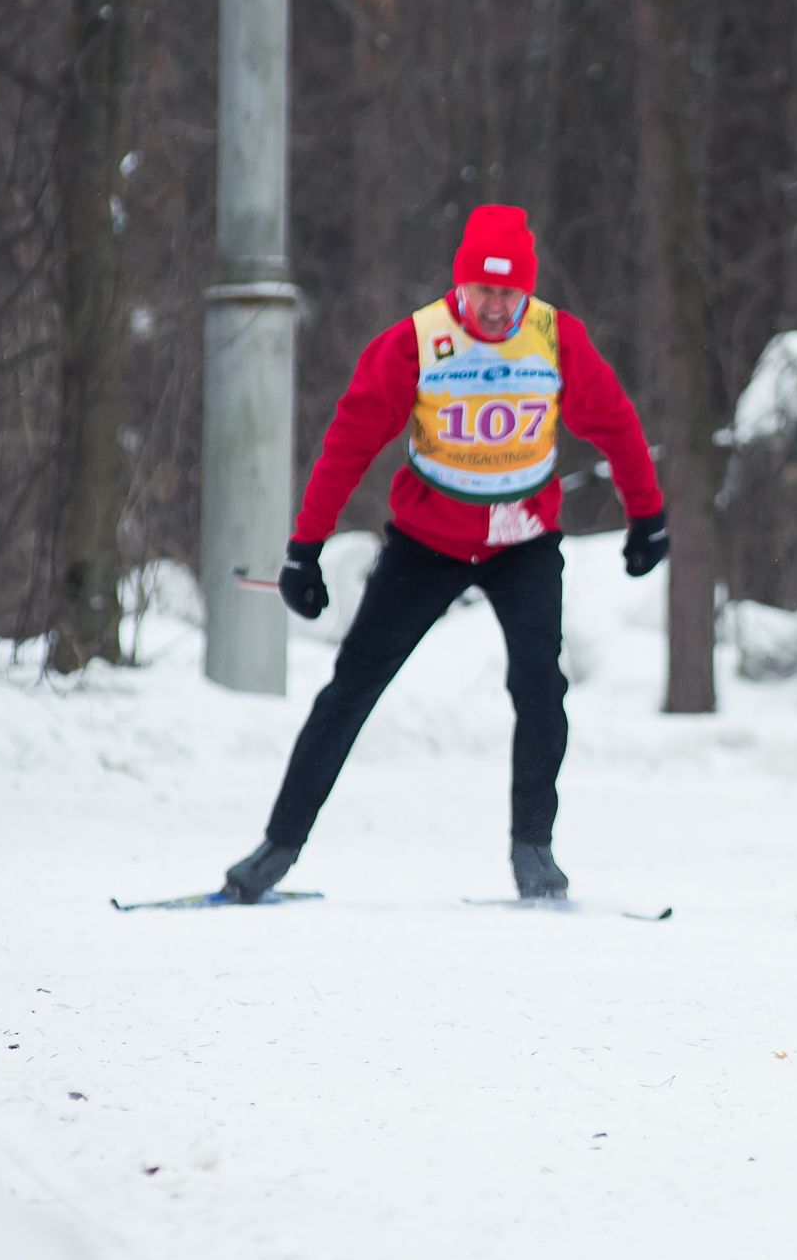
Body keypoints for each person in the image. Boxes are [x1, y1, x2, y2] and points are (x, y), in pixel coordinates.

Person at [220, 206, 672, 903]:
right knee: (352, 686)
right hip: (427, 543)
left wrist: (647, 517)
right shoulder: (418, 343)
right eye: (482, 292)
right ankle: (278, 845)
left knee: (539, 684)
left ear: (527, 291)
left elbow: (615, 421)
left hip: (522, 542)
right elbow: (349, 441)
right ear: (459, 285)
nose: (495, 308)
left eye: (509, 294)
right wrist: (304, 549)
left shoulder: (555, 338)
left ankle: (534, 849)